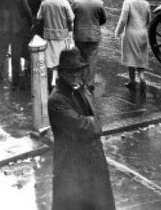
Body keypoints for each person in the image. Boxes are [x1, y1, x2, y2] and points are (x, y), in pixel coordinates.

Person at [48, 47, 116, 210]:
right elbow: (82, 127)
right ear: (61, 73)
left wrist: (93, 122)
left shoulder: (81, 89)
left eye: (78, 71)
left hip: (92, 162)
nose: (74, 75)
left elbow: (92, 118)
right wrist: (94, 123)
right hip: (71, 167)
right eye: (70, 71)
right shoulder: (56, 99)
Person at [0, 0, 33, 87]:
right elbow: (27, 12)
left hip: (3, 28)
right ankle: (15, 76)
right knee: (16, 52)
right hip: (16, 29)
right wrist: (29, 23)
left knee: (1, 51)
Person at [37, 0, 75, 90]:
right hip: (61, 34)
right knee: (60, 58)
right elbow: (71, 18)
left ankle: (50, 82)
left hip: (48, 33)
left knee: (49, 59)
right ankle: (58, 81)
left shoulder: (45, 2)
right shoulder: (65, 2)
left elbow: (38, 17)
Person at [114, 0, 151, 91]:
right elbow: (149, 20)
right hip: (143, 32)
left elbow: (123, 19)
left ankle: (132, 81)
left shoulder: (128, 2)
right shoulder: (146, 4)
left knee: (130, 56)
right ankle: (142, 78)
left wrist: (118, 32)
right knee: (141, 56)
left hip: (131, 32)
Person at [73, 0, 107, 92]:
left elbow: (72, 18)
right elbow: (103, 19)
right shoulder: (99, 3)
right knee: (91, 60)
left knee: (80, 58)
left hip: (79, 35)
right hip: (94, 35)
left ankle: (80, 81)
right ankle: (89, 83)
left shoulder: (76, 2)